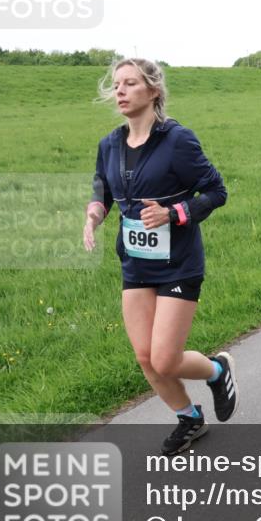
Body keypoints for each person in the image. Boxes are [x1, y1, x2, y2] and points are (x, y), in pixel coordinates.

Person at [83, 58, 236, 456]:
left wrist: (173, 214)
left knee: (165, 360)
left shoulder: (177, 141)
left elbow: (216, 192)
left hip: (179, 263)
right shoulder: (110, 144)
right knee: (145, 357)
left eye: (130, 83)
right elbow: (103, 189)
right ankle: (189, 418)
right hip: (136, 263)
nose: (120, 91)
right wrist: (94, 215)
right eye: (117, 84)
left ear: (152, 91)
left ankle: (217, 370)